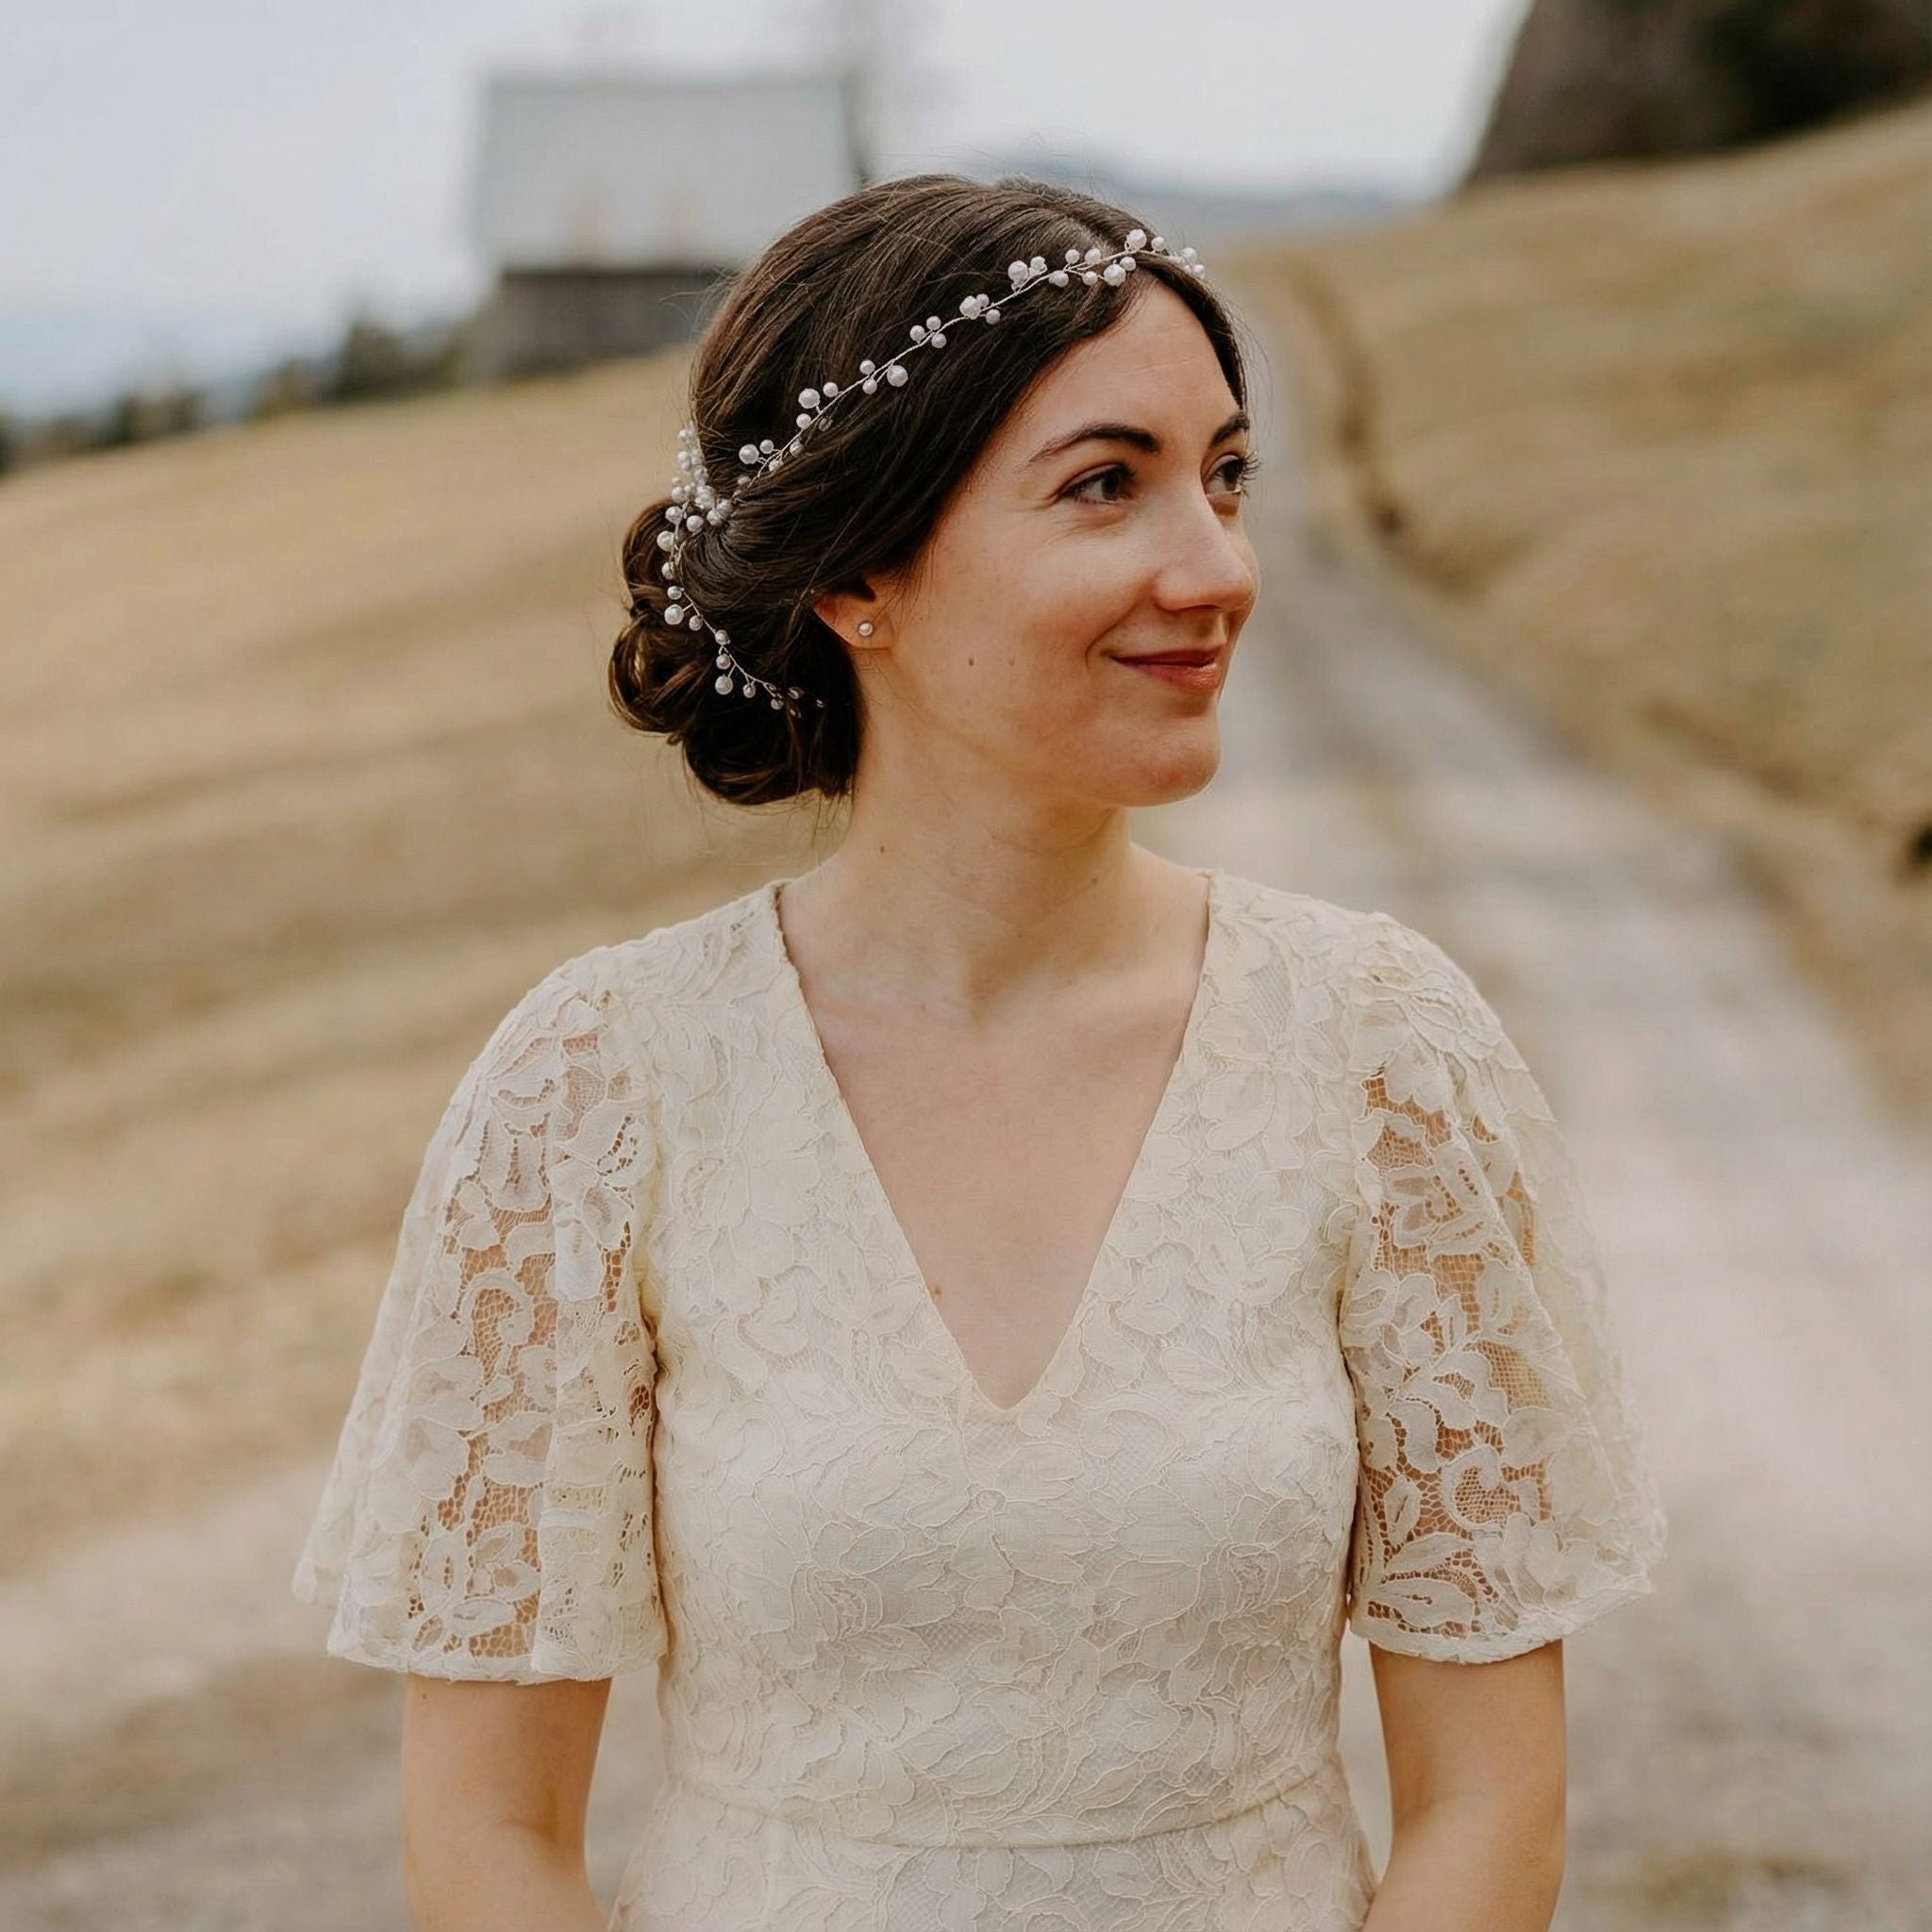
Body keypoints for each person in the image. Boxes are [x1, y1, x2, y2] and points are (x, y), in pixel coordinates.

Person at [291, 172, 1667, 1932]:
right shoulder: (597, 1093)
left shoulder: (1379, 1057)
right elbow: (488, 1840)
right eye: (1109, 485)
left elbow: (1489, 1797)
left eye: (1226, 475)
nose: (1218, 566)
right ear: (861, 570)